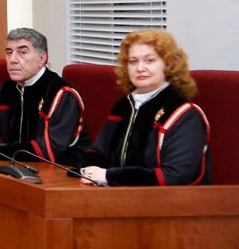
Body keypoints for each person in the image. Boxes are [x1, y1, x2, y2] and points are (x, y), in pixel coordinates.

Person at [79, 30, 210, 186]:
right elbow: (98, 151)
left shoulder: (184, 113)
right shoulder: (123, 106)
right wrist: (90, 169)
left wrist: (109, 176)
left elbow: (176, 175)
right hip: (116, 194)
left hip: (168, 199)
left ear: (168, 64)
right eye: (133, 61)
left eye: (149, 60)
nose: (140, 68)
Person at [0, 27, 88, 164]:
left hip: (60, 171)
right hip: (12, 167)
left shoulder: (61, 94)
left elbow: (51, 148)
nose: (12, 59)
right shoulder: (7, 89)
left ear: (42, 58)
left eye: (22, 52)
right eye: (9, 52)